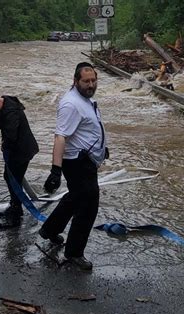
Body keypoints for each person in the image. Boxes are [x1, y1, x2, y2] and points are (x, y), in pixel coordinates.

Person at [40, 62, 108, 270]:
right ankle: (74, 253)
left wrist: (102, 148)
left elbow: (88, 129)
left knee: (74, 198)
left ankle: (50, 230)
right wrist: (55, 170)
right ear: (75, 81)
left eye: (93, 80)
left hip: (86, 159)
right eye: (86, 81)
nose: (91, 85)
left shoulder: (85, 99)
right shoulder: (71, 104)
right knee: (88, 206)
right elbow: (60, 137)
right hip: (77, 163)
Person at [0, 95, 39, 229]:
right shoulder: (4, 105)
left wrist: (5, 146)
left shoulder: (10, 113)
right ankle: (15, 206)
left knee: (14, 180)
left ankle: (16, 215)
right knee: (10, 178)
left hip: (22, 151)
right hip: (17, 150)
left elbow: (11, 136)